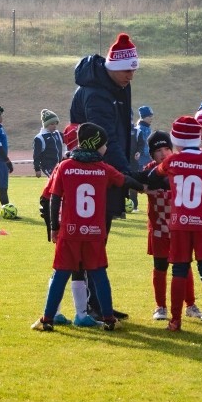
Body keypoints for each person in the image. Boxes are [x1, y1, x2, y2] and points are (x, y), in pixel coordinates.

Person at [31, 123, 141, 332]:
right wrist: (143, 188)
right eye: (104, 144)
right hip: (94, 233)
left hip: (70, 232)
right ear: (95, 144)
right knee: (99, 275)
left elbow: (54, 198)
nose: (106, 148)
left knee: (60, 275)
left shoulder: (65, 166)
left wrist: (55, 227)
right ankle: (108, 319)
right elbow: (124, 180)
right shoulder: (103, 168)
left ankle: (47, 320)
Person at [69, 32, 139, 320]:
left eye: (134, 70)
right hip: (93, 177)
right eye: (127, 70)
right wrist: (126, 174)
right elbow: (105, 137)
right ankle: (89, 306)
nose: (131, 76)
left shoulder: (113, 87)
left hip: (103, 175)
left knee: (97, 242)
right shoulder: (98, 94)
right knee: (90, 243)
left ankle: (97, 303)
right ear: (111, 66)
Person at [152, 115, 202, 332]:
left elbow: (154, 174)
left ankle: (175, 321)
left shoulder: (171, 161)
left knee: (179, 270)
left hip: (179, 224)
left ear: (176, 139)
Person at [140, 130, 202, 322]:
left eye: (167, 148)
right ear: (152, 154)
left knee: (184, 265)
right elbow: (136, 181)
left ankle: (190, 305)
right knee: (160, 266)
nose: (163, 153)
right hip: (158, 227)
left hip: (180, 227)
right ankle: (160, 307)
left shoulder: (180, 166)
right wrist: (141, 187)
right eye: (158, 150)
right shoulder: (149, 170)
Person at [38, 123, 97, 327]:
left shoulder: (70, 163)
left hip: (68, 223)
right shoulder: (66, 165)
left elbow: (45, 197)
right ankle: (60, 313)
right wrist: (53, 226)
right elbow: (48, 197)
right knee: (64, 268)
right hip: (66, 224)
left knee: (75, 268)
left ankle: (78, 314)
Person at [128, 107, 152, 213]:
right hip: (125, 160)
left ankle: (134, 205)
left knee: (133, 182)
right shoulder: (118, 130)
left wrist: (139, 151)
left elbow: (142, 144)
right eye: (149, 116)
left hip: (134, 161)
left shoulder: (137, 131)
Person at [33, 109, 64, 178]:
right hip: (48, 166)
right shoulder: (40, 138)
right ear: (46, 124)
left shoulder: (58, 134)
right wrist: (37, 169)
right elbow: (36, 155)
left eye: (56, 123)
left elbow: (69, 138)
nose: (54, 126)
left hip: (59, 165)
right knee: (55, 180)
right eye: (52, 124)